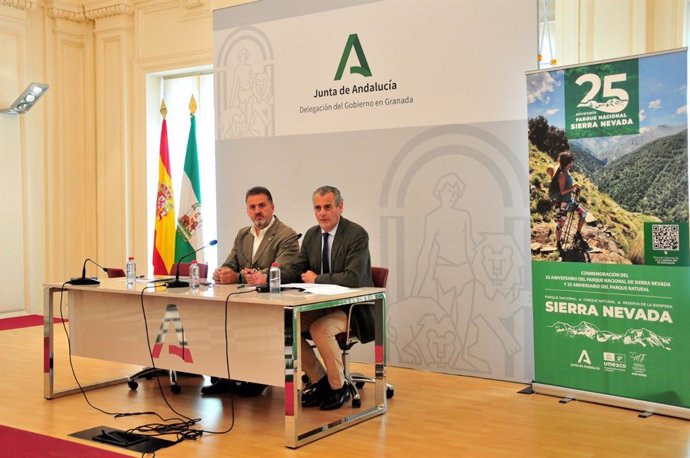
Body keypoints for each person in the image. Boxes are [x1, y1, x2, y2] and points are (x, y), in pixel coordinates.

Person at [282, 185, 373, 410]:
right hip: (320, 305)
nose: (322, 213)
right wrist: (267, 277)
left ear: (340, 207)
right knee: (285, 326)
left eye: (328, 207)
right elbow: (297, 269)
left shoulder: (356, 234)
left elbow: (353, 277)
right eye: (317, 208)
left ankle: (338, 387)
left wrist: (317, 279)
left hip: (353, 309)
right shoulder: (312, 234)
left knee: (320, 329)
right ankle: (320, 381)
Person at [201, 186, 299, 395]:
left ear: (272, 207)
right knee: (218, 316)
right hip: (244, 300)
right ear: (247, 211)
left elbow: (279, 270)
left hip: (272, 302)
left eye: (262, 206)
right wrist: (223, 273)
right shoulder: (243, 234)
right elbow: (230, 262)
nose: (257, 211)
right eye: (252, 207)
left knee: (251, 322)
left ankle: (257, 378)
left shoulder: (286, 235)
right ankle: (225, 377)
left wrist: (236, 277)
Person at [551, 151, 587, 250]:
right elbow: (562, 192)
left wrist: (573, 187)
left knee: (583, 213)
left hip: (569, 201)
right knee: (561, 224)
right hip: (562, 203)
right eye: (571, 161)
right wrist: (574, 187)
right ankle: (558, 243)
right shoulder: (562, 174)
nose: (573, 163)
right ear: (567, 162)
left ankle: (578, 234)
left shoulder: (566, 170)